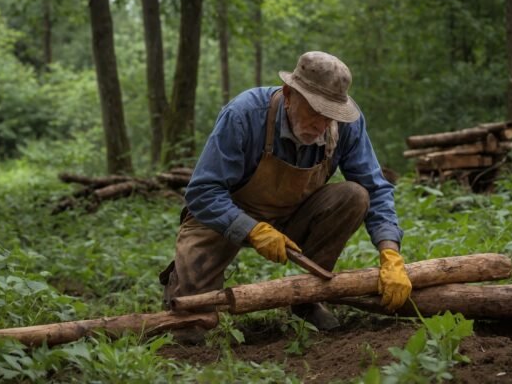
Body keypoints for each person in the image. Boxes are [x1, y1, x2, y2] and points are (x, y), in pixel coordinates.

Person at [159, 51, 412, 340]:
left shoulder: (346, 125)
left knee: (355, 195)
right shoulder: (244, 115)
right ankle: (183, 289)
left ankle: (306, 301)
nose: (322, 124)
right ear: (289, 94)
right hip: (226, 216)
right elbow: (203, 192)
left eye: (330, 115)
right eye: (315, 111)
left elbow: (375, 187)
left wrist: (390, 253)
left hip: (293, 214)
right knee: (189, 327)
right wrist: (252, 230)